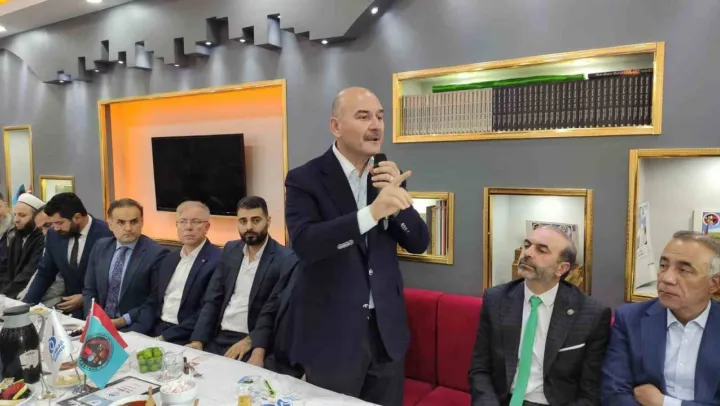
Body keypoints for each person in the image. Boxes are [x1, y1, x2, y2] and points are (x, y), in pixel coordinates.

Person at [284, 87, 430, 405]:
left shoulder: (386, 175)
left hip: (386, 332)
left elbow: (419, 243)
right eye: (363, 117)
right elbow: (306, 244)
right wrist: (371, 214)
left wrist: (400, 204)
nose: (375, 125)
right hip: (332, 336)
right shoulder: (304, 178)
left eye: (380, 117)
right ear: (336, 126)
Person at [469, 226, 612, 406]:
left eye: (541, 250)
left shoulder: (591, 314)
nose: (527, 253)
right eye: (526, 245)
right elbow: (480, 369)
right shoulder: (496, 299)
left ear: (561, 268)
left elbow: (591, 393)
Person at [601, 231, 720, 406]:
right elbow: (614, 393)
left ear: (714, 284)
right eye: (663, 266)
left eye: (684, 270)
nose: (667, 278)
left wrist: (663, 403)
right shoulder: (630, 319)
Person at [188, 196, 294, 357]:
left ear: (268, 221)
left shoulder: (285, 259)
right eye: (243, 221)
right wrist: (198, 340)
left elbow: (276, 311)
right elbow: (213, 299)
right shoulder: (230, 249)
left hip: (252, 341)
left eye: (256, 220)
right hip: (219, 336)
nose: (249, 227)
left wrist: (252, 341)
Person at [82, 198, 169, 332]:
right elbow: (90, 290)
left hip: (134, 326)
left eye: (134, 222)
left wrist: (121, 321)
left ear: (142, 222)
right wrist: (94, 318)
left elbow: (154, 301)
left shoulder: (157, 253)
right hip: (99, 324)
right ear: (110, 225)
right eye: (121, 222)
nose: (128, 228)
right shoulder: (100, 246)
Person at [23, 192, 112, 318]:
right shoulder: (54, 235)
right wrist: (26, 307)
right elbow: (45, 273)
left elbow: (115, 278)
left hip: (101, 310)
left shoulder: (107, 233)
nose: (55, 228)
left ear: (77, 217)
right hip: (70, 311)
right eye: (53, 223)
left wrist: (85, 297)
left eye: (59, 223)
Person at [148, 201, 222, 344]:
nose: (188, 227)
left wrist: (164, 338)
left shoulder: (217, 260)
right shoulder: (169, 258)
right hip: (156, 329)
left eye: (196, 222)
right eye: (183, 222)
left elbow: (207, 311)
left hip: (186, 336)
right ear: (177, 225)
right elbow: (154, 301)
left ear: (207, 227)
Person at [247, 254, 304, 379]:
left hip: (310, 370)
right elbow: (271, 307)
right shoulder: (293, 260)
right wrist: (258, 351)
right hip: (276, 359)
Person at [16, 208, 65, 307]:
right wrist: (24, 298)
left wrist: (31, 300)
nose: (45, 232)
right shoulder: (48, 240)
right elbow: (40, 273)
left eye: (48, 225)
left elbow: (60, 282)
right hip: (42, 297)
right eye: (41, 229)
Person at [0, 193, 46, 298]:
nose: (16, 219)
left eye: (22, 215)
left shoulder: (42, 239)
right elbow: (7, 271)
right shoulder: (15, 237)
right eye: (15, 214)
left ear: (36, 217)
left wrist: (5, 295)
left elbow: (28, 273)